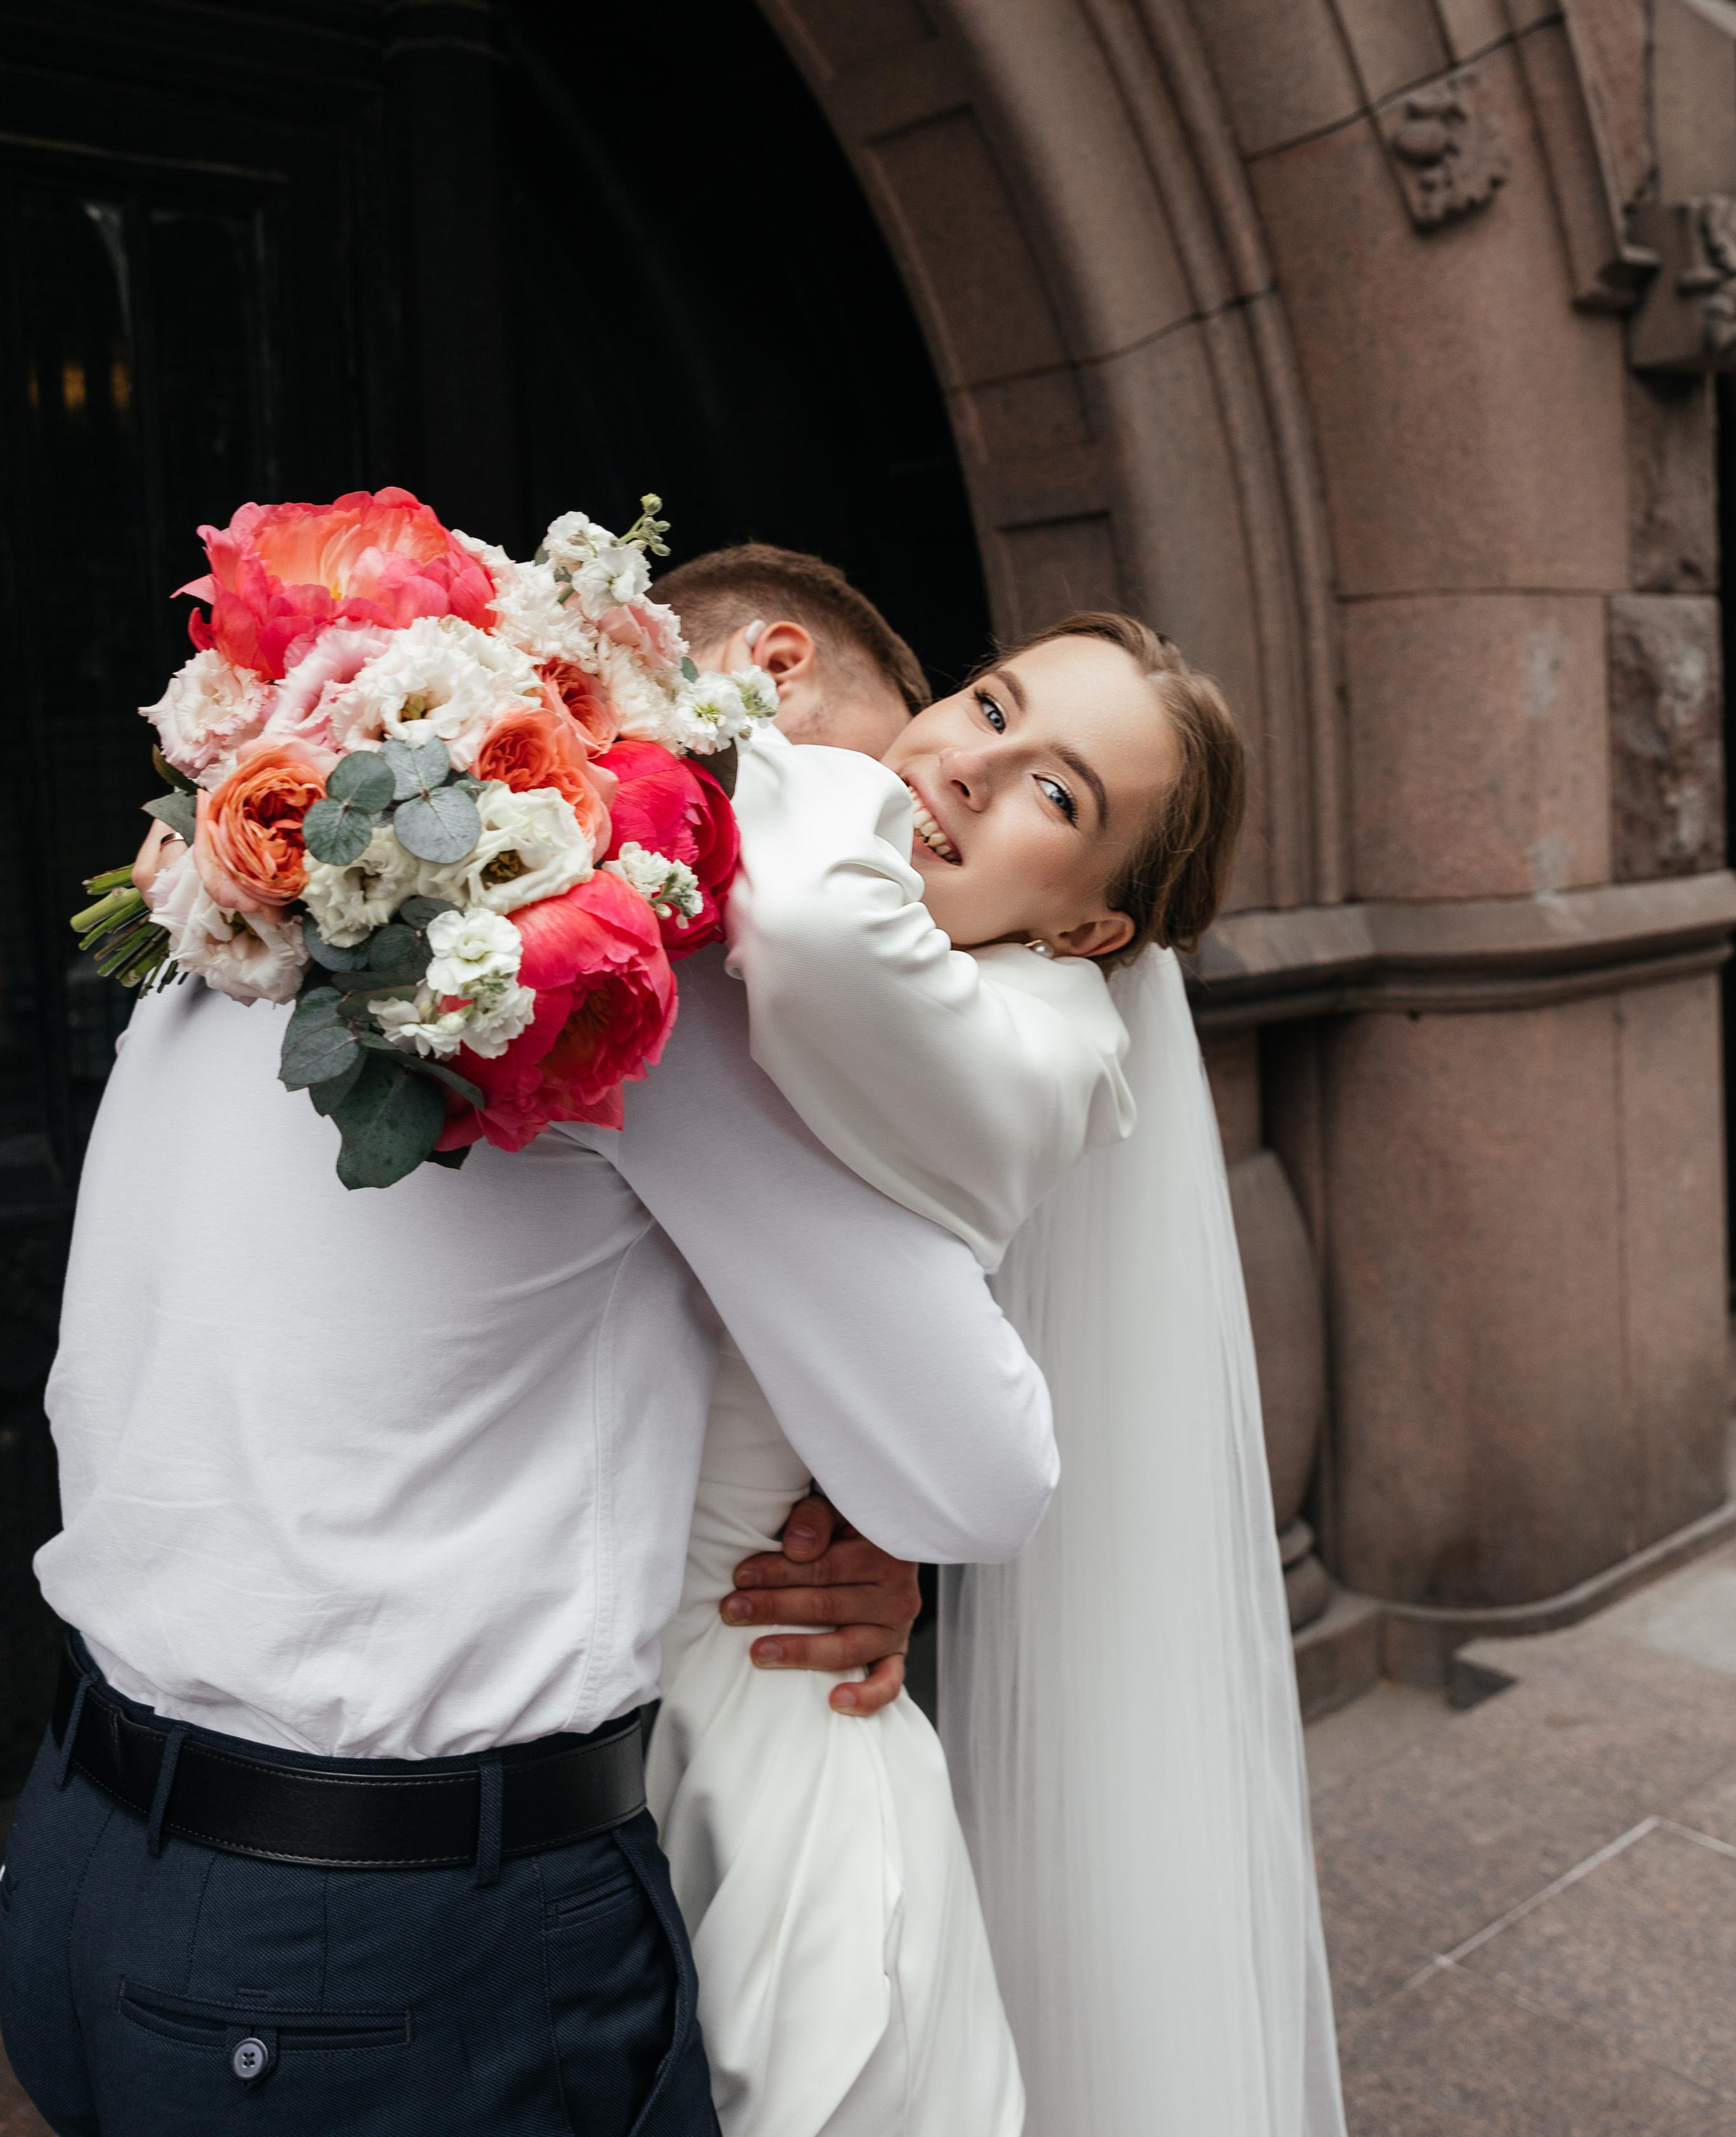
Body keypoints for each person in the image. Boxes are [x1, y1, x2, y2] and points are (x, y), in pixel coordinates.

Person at [0, 612, 1059, 2134]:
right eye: (870, 821)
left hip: (83, 1857)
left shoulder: (242, 908)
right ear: (761, 700)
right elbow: (979, 1471)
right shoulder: (632, 963)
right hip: (379, 1963)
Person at [660, 557, 1345, 2137]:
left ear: (1092, 921)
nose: (964, 759)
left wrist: (761, 734)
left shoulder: (1037, 1045)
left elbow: (826, 936)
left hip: (764, 1748)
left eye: (1049, 786)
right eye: (987, 700)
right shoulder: (851, 937)